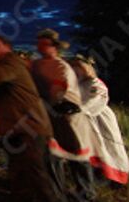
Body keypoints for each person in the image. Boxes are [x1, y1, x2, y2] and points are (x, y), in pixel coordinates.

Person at [0, 34, 61, 202]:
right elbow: (3, 93)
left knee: (35, 175)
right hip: (15, 129)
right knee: (18, 175)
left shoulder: (14, 62)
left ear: (6, 46)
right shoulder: (3, 64)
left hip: (30, 127)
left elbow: (2, 74)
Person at [31, 28, 96, 201]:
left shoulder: (61, 66)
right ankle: (57, 195)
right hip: (49, 116)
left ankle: (86, 192)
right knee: (53, 156)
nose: (39, 46)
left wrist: (47, 100)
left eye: (44, 44)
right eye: (39, 43)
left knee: (78, 155)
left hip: (68, 116)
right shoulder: (36, 65)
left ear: (54, 47)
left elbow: (58, 91)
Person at [71, 55, 129, 186]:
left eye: (80, 67)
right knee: (95, 148)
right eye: (75, 69)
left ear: (89, 67)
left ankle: (116, 177)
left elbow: (96, 99)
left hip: (100, 118)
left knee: (109, 147)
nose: (78, 71)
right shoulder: (79, 84)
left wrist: (79, 109)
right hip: (86, 119)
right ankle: (99, 176)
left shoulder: (96, 83)